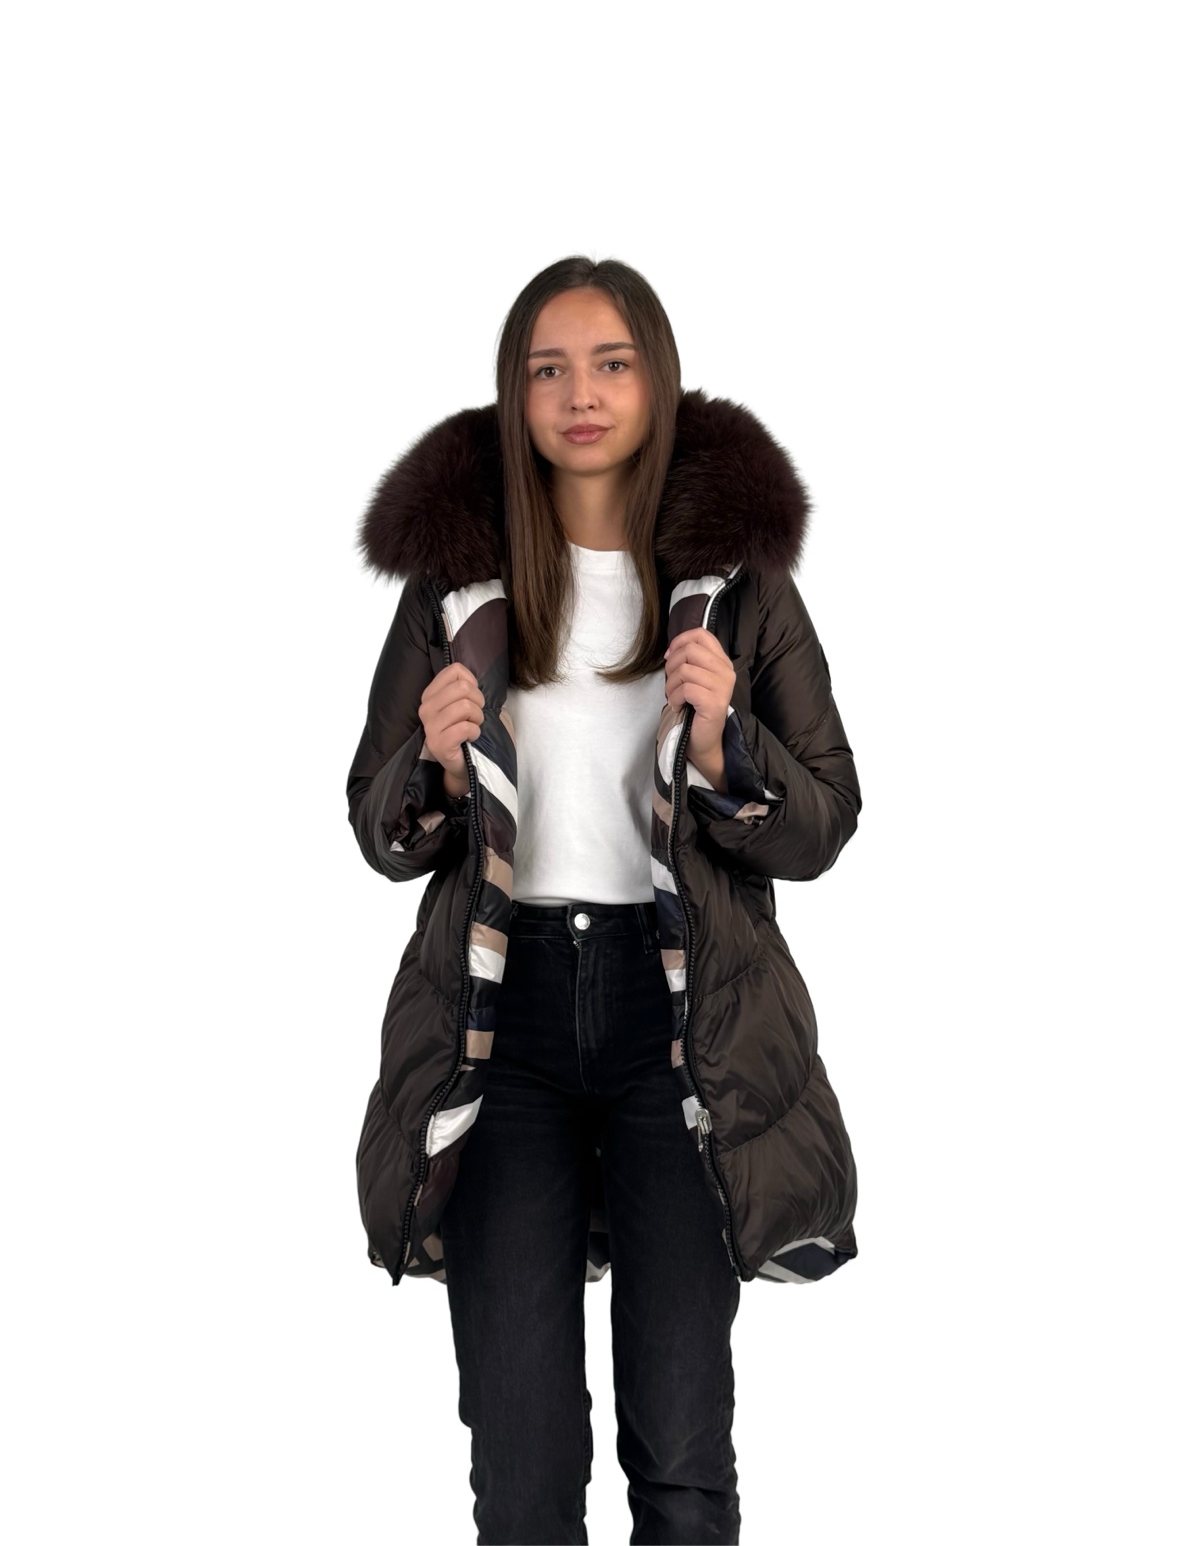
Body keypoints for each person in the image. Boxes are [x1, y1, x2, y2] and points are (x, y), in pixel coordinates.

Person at [345, 256, 862, 1545]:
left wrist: (728, 744)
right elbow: (375, 821)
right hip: (500, 1021)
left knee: (681, 1452)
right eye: (550, 369)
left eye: (612, 364)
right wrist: (435, 769)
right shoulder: (455, 587)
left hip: (678, 1022)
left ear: (657, 380)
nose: (582, 394)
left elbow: (827, 817)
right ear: (515, 392)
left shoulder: (737, 585)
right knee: (520, 1468)